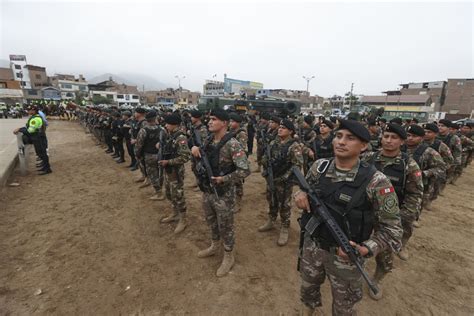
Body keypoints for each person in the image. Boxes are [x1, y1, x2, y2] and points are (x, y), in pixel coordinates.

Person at [294, 119, 402, 315]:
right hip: (313, 246)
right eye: (338, 136)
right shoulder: (319, 167)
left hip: (346, 257)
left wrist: (365, 248)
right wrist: (299, 194)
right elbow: (304, 189)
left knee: (344, 306)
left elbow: (393, 230)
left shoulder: (377, 181)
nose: (341, 142)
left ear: (364, 146)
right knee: (308, 289)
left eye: (350, 138)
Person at [363, 123, 423, 300]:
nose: (388, 140)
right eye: (386, 136)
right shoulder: (368, 158)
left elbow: (415, 195)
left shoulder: (409, 165)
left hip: (389, 219)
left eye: (394, 137)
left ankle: (377, 279)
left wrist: (400, 219)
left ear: (402, 141)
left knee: (384, 255)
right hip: (364, 213)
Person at [191, 109, 250, 277]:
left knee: (226, 226)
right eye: (209, 119)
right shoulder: (208, 140)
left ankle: (228, 255)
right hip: (208, 191)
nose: (209, 122)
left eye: (214, 119)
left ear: (224, 123)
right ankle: (214, 245)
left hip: (223, 194)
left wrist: (224, 179)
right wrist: (196, 151)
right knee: (211, 221)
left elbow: (245, 170)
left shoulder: (233, 144)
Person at [258, 119, 303, 246]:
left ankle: (284, 226)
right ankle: (271, 220)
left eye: (283, 128)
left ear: (290, 131)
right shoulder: (273, 143)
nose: (280, 129)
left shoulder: (294, 146)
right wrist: (266, 167)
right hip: (272, 178)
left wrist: (285, 177)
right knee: (271, 199)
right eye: (280, 127)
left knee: (284, 205)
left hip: (284, 181)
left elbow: (297, 165)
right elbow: (265, 157)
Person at [159, 113, 191, 234]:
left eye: (168, 124)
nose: (166, 126)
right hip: (169, 170)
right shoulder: (170, 135)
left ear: (175, 125)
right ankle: (175, 213)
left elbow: (185, 156)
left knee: (178, 194)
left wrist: (169, 161)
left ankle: (183, 219)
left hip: (176, 171)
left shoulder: (181, 137)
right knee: (168, 192)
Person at [405, 125, 445, 219]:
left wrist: (424, 174)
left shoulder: (429, 152)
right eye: (408, 135)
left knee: (417, 205)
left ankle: (414, 218)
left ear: (422, 138)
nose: (410, 138)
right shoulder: (399, 147)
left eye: (414, 136)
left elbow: (441, 168)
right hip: (401, 182)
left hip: (421, 185)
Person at [134, 111, 165, 200]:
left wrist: (137, 154)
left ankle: (159, 193)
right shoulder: (162, 129)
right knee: (160, 174)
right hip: (160, 155)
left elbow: (139, 145)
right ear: (155, 119)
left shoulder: (143, 130)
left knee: (152, 175)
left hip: (149, 155)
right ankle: (159, 190)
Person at [14, 105, 52, 175]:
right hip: (38, 137)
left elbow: (30, 131)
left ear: (34, 110)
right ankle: (45, 167)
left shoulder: (35, 119)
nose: (28, 111)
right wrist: (21, 128)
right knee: (41, 153)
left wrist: (20, 129)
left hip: (38, 137)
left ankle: (47, 169)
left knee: (42, 153)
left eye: (29, 110)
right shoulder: (35, 117)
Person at [423, 123, 453, 198]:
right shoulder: (418, 143)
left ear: (435, 134)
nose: (426, 134)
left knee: (433, 191)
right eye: (424, 131)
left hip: (434, 173)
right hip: (421, 172)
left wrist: (438, 170)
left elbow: (449, 160)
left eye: (429, 132)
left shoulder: (441, 146)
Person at [229, 112, 249, 212]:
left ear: (238, 123)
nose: (230, 123)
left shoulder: (241, 133)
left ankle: (238, 202)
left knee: (238, 181)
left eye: (232, 121)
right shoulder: (231, 131)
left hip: (238, 160)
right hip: (231, 159)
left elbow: (243, 148)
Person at [437, 119, 462, 184]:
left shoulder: (454, 138)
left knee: (443, 180)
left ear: (448, 128)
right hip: (435, 161)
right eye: (439, 125)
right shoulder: (434, 135)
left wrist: (453, 164)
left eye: (442, 126)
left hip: (447, 162)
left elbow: (457, 151)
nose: (440, 127)